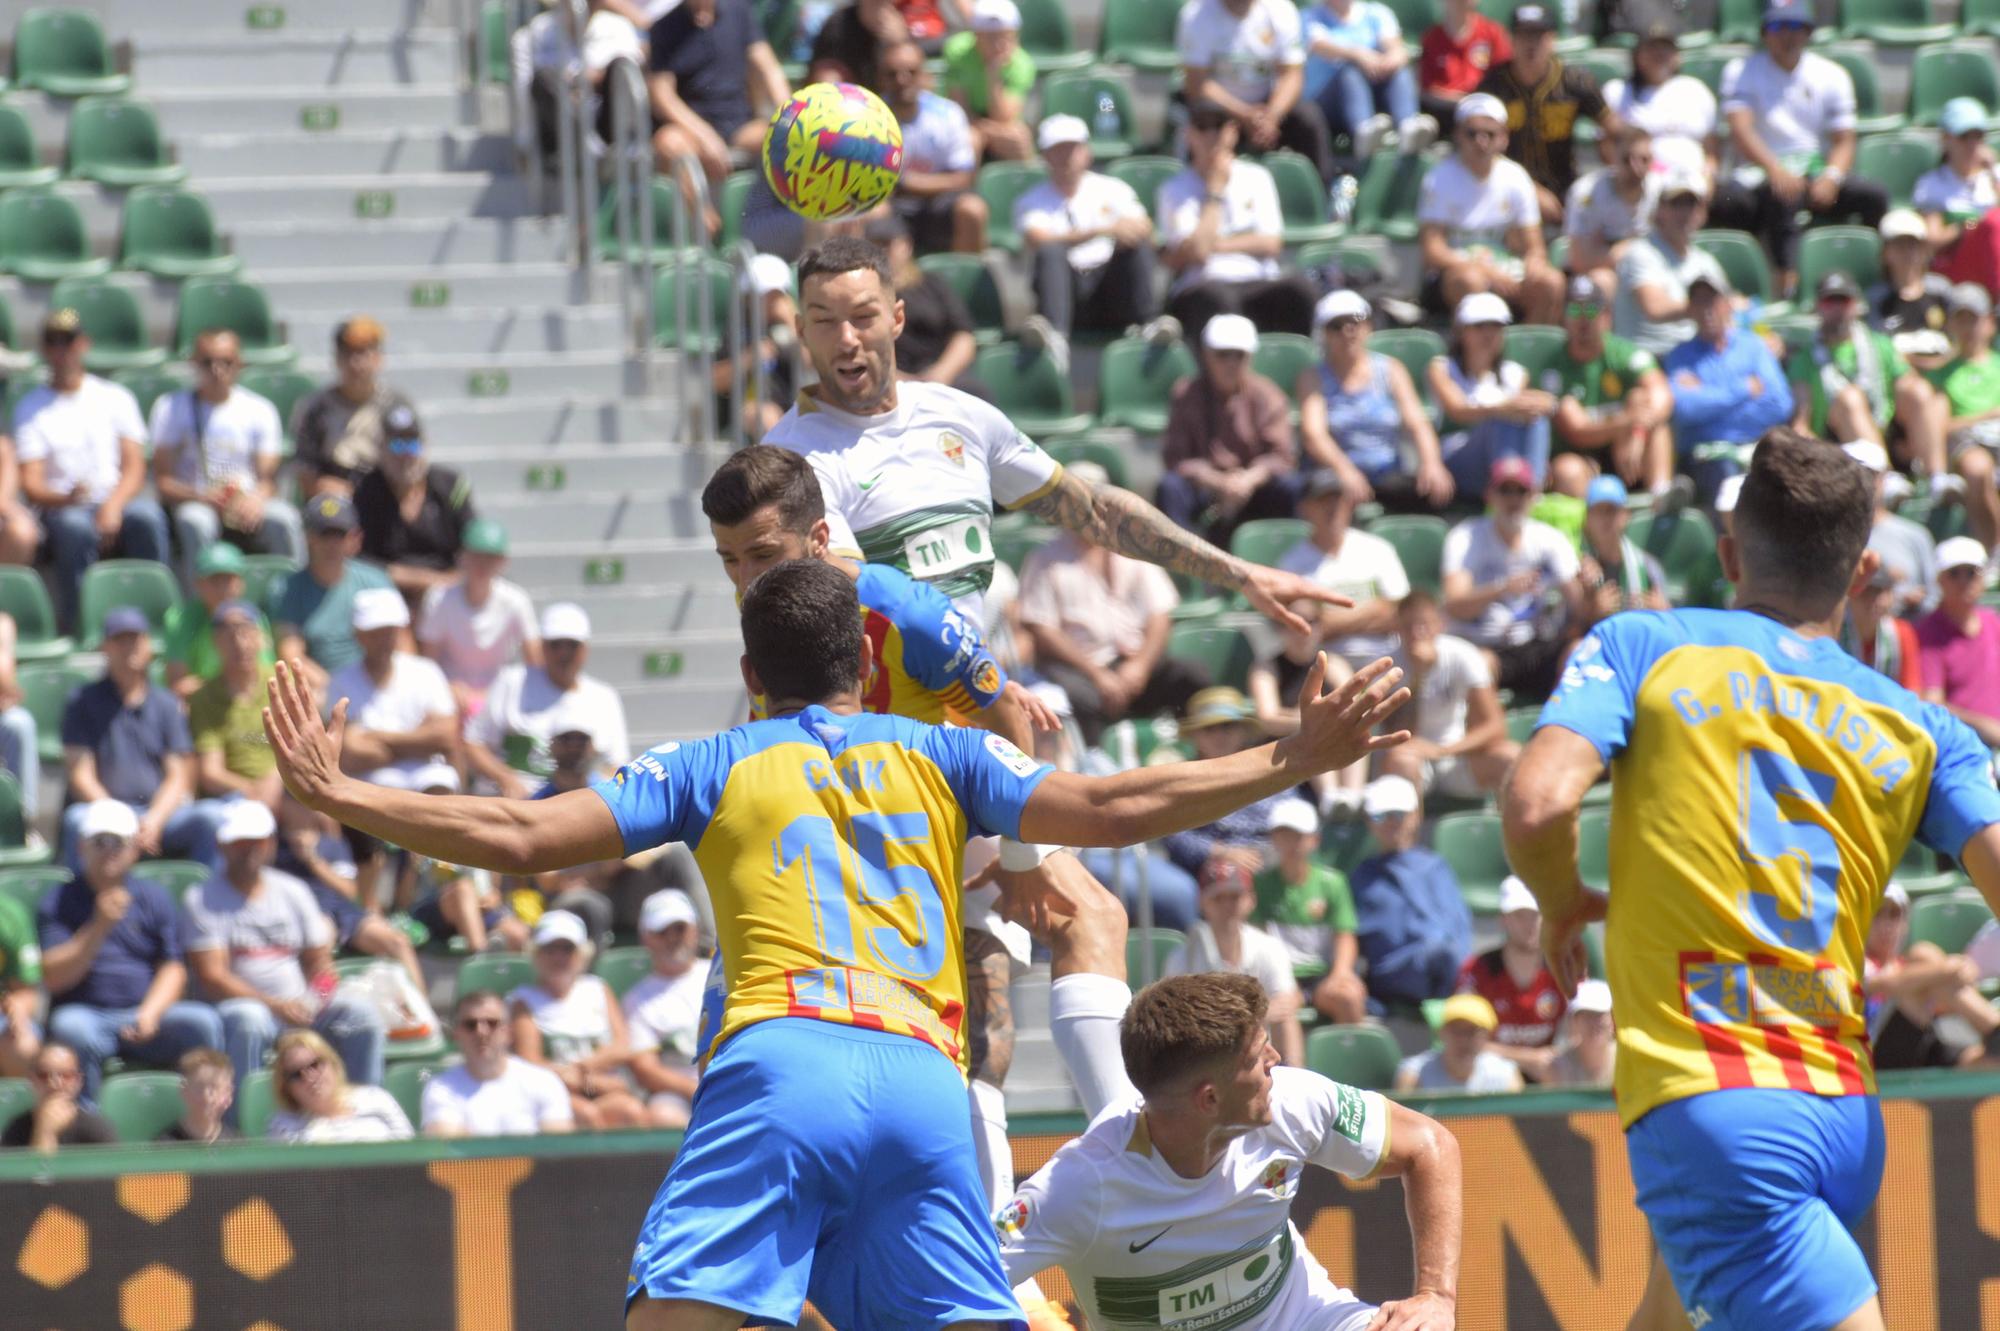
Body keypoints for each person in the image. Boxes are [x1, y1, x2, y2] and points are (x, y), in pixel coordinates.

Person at [258, 556, 1413, 1331]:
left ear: (751, 678)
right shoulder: (941, 755)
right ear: (865, 661)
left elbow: (516, 833)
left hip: (782, 1062)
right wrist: (1289, 758)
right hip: (921, 1081)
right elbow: (1114, 805)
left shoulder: (712, 761)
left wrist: (340, 790)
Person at [1503, 427, 2000, 1331]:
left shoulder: (1643, 644)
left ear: (1730, 553)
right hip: (1844, 1108)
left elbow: (1536, 804)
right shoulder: (1927, 728)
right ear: (1861, 575)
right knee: (1666, 1311)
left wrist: (1560, 900)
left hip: (1717, 1104)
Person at [768, 236, 1343, 640]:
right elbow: (850, 591)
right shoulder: (790, 459)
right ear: (800, 333)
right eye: (824, 321)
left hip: (974, 717)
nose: (846, 340)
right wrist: (974, 679)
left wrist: (1237, 572)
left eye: (863, 317)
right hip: (877, 733)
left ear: (896, 318)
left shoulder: (961, 416)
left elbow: (1095, 514)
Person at [995, 972, 1463, 1331]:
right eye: (1259, 1057)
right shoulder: (1078, 1186)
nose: (1275, 1062)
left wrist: (1436, 1296)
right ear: (1210, 1098)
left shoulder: (1291, 1099)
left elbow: (1430, 1146)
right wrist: (1033, 1315)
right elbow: (951, 1282)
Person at [183, 799, 388, 1095]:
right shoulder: (202, 898)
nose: (249, 849)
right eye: (239, 843)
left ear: (269, 843)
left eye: (256, 841)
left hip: (299, 1006)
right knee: (247, 1019)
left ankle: (365, 1108)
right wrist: (276, 1006)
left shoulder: (294, 891)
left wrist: (315, 999)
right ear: (222, 846)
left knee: (361, 1015)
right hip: (248, 1009)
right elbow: (212, 977)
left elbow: (321, 962)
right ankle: (240, 1121)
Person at [37, 799, 224, 1102]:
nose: (109, 850)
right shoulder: (58, 900)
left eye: (119, 842)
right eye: (100, 842)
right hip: (89, 1015)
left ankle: (207, 1125)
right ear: (82, 846)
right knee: (70, 1028)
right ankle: (87, 1131)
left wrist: (150, 1012)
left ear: (135, 849)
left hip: (147, 1012)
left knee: (202, 1023)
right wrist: (98, 927)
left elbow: (173, 967)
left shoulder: (154, 897)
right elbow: (53, 977)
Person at [12, 308, 169, 631]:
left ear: (83, 344)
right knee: (74, 528)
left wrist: (113, 504)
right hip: (59, 509)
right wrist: (66, 498)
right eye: (52, 341)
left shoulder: (115, 397)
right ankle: (82, 624)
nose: (61, 350)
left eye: (67, 341)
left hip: (115, 500)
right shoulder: (30, 407)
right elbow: (31, 482)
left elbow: (135, 466)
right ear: (43, 348)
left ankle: (157, 619)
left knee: (148, 517)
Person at [1018, 484, 1207, 749]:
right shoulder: (1045, 558)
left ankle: (1191, 757)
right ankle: (1096, 772)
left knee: (1192, 676)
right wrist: (1097, 675)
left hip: (1134, 665)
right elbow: (1043, 630)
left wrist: (1140, 665)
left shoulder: (1131, 549)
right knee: (1077, 698)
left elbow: (1160, 614)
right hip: (1082, 668)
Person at [1711, 0, 1886, 285]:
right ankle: (1787, 283)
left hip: (1813, 171)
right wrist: (1775, 169)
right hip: (1760, 174)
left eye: (1795, 26)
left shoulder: (1831, 74)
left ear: (1807, 32)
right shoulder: (1742, 71)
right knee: (1781, 196)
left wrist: (1831, 176)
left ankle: (1874, 272)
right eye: (1778, 26)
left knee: (1874, 195)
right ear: (1765, 32)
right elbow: (1741, 129)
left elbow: (1844, 140)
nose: (1787, 35)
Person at [59, 608, 220, 870]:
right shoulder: (82, 702)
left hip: (159, 816)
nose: (128, 647)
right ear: (105, 648)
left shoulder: (167, 703)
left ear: (148, 646)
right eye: (120, 640)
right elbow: (81, 775)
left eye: (135, 639)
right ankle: (81, 906)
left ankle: (208, 904)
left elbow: (178, 775)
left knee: (210, 817)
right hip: (107, 812)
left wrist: (154, 820)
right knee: (77, 820)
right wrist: (119, 819)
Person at [149, 327, 303, 584]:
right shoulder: (170, 408)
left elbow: (268, 479)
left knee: (285, 519)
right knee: (195, 522)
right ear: (194, 363)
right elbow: (163, 481)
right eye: (208, 362)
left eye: (226, 362)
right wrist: (201, 496)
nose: (217, 370)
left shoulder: (260, 409)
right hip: (197, 499)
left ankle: (292, 598)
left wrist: (254, 500)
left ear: (240, 363)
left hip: (247, 500)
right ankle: (200, 605)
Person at [1158, 99, 1317, 341]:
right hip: (1204, 284)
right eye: (1202, 127)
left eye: (1218, 127)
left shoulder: (1257, 177)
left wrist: (1215, 243)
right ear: (1189, 134)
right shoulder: (1174, 189)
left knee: (1299, 290)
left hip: (1257, 280)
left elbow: (1270, 243)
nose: (1211, 135)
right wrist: (1214, 193)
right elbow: (1199, 253)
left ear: (1232, 132)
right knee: (1219, 300)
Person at [1013, 115, 1159, 363]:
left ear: (1086, 152)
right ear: (1045, 155)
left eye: (1072, 148)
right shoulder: (1031, 200)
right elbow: (1038, 238)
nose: (1066, 156)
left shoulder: (1114, 189)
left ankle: (1148, 324)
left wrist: (1127, 234)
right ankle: (1056, 336)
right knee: (1051, 252)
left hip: (1109, 287)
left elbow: (1143, 226)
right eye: (1057, 150)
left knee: (1138, 247)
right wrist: (1104, 230)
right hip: (1066, 291)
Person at [1297, 288, 1454, 512]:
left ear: (1368, 327)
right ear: (1324, 333)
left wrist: (1431, 463)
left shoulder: (1391, 370)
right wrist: (1345, 471)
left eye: (1355, 322)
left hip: (1387, 473)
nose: (1347, 331)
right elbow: (1314, 435)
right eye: (1336, 325)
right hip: (1335, 476)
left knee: (1432, 493)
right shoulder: (1312, 377)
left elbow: (1417, 422)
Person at [1440, 456, 1584, 698]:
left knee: (1578, 652)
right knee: (1478, 665)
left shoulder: (1549, 539)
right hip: (1486, 645)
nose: (1513, 499)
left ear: (1534, 496)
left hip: (1535, 643)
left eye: (1522, 491)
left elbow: (1577, 603)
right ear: (1490, 495)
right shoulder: (1465, 537)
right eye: (1505, 490)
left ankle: (1563, 727)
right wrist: (1501, 589)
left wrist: (1586, 588)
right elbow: (1455, 605)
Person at [1786, 272, 1947, 483]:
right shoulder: (1805, 358)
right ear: (1818, 307)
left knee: (1920, 390)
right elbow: (1802, 421)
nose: (1837, 309)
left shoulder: (1879, 344)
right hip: (1836, 442)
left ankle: (1938, 477)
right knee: (1850, 398)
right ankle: (1885, 480)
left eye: (1843, 301)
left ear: (1856, 305)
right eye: (1829, 301)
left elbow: (1908, 388)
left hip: (1887, 428)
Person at [1418, 93, 1562, 324]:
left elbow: (1534, 247)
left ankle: (1526, 350)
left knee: (1551, 283)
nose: (1481, 141)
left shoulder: (1515, 177)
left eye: (1490, 134)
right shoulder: (1439, 178)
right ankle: (1470, 352)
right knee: (1471, 281)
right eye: (1472, 133)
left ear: (1504, 138)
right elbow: (1433, 250)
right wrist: (1485, 271)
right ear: (1458, 136)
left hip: (1506, 267)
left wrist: (1534, 265)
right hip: (1456, 271)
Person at [1158, 315, 1304, 544]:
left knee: (1292, 488)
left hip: (1254, 487)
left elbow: (1281, 456)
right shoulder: (1186, 394)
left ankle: (1290, 560)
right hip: (1205, 486)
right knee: (1170, 488)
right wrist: (1217, 481)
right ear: (1206, 355)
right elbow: (1176, 458)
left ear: (1250, 356)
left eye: (1239, 355)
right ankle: (1179, 566)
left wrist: (1248, 480)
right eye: (1223, 354)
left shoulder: (1268, 395)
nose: (1231, 363)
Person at [646, 0, 788, 229]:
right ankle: (707, 229)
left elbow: (768, 68)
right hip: (692, 128)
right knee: (668, 143)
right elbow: (662, 95)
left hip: (740, 125)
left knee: (784, 136)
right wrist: (704, 135)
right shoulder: (664, 27)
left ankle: (785, 214)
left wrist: (790, 115)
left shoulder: (739, 12)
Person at [467, 601, 631, 796]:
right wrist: (506, 779)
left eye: (572, 645)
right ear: (542, 647)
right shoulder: (512, 682)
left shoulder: (603, 698)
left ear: (585, 649)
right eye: (556, 645)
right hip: (513, 802)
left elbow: (616, 766)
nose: (564, 653)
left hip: (575, 803)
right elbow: (474, 743)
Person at [1474, 4, 1618, 224]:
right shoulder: (1494, 85)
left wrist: (1610, 158)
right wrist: (1529, 189)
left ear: (1552, 39)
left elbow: (1615, 129)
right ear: (1511, 39)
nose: (1531, 45)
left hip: (1565, 189)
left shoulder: (1574, 81)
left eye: (1538, 36)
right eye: (1524, 36)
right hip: (1506, 190)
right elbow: (1474, 145)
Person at [509, 909, 648, 1131]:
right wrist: (573, 1078)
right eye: (550, 949)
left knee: (630, 1111)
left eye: (567, 949)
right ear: (536, 953)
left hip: (601, 1086)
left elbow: (622, 1046)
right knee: (586, 1115)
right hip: (554, 1092)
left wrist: (585, 1071)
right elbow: (530, 1060)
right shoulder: (523, 1000)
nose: (559, 957)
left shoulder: (597, 989)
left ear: (582, 953)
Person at [1662, 271, 1795, 502]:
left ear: (1728, 304)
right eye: (1698, 301)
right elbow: (1684, 408)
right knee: (1726, 478)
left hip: (1757, 448)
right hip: (1707, 458)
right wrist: (1744, 390)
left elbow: (1779, 404)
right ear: (1690, 309)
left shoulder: (1753, 346)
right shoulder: (1679, 356)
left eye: (1712, 300)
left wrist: (1707, 397)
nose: (1706, 309)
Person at [1163, 858, 1305, 1067]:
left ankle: (1294, 1078)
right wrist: (1256, 1016)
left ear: (1251, 900)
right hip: (1205, 1056)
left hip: (1260, 1051)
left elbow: (1286, 1002)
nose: (1228, 905)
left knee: (1287, 1017)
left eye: (1235, 897)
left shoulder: (1268, 947)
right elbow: (1180, 1021)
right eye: (1218, 898)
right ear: (1203, 903)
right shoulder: (1183, 957)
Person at [1178, 0, 1334, 184]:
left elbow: (1292, 76)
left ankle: (1321, 197)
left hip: (1266, 107)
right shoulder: (1197, 14)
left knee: (1309, 119)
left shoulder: (1280, 10)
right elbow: (1197, 84)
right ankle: (1199, 192)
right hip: (1222, 108)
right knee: (1205, 125)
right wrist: (1244, 114)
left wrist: (1272, 116)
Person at [1383, 588, 1518, 799]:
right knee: (1402, 760)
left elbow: (1495, 727)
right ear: (1397, 628)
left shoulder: (1464, 656)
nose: (1417, 634)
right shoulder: (1388, 666)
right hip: (1413, 758)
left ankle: (1508, 830)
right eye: (1408, 626)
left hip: (1455, 755)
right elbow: (1396, 734)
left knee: (1510, 756)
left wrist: (1443, 751)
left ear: (1439, 625)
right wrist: (1419, 677)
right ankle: (1409, 831)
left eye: (1424, 625)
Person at [1545, 275, 1674, 497]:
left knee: (1646, 407)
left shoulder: (1624, 354)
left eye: (1592, 310)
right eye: (1575, 311)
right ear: (1563, 317)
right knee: (1566, 470)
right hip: (1584, 459)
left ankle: (1661, 499)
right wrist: (1626, 422)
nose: (1584, 319)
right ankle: (1586, 528)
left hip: (1631, 455)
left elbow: (1661, 395)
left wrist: (1638, 431)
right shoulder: (1554, 369)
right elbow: (1577, 431)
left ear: (1606, 316)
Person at [1278, 468, 1409, 676]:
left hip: (1387, 658)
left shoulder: (1378, 549)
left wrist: (1328, 621)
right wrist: (1374, 611)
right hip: (1326, 667)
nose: (1332, 507)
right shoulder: (1291, 564)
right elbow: (1302, 628)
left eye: (1338, 499)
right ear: (1304, 508)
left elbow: (1398, 613)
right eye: (1323, 500)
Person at [327, 587, 458, 792]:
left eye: (389, 632)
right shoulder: (340, 681)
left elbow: (446, 736)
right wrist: (420, 742)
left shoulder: (426, 671)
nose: (383, 640)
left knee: (440, 783)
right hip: (370, 787)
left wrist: (374, 737)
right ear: (359, 635)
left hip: (427, 779)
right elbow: (352, 753)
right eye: (375, 633)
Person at [1428, 290, 1556, 495]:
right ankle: (1509, 491)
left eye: (1496, 327)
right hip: (1458, 457)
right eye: (1479, 327)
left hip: (1505, 456)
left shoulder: (1515, 373)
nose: (1488, 335)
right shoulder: (1442, 368)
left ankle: (1531, 490)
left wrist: (1544, 404)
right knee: (1501, 419)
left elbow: (1532, 406)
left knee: (1534, 417)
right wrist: (1501, 409)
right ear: (1462, 331)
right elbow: (1457, 410)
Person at [1862, 882, 2000, 1069]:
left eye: (1894, 915)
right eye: (1877, 914)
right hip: (1875, 1053)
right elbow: (1881, 984)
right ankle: (1995, 1030)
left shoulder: (1909, 967)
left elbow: (1947, 1001)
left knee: (1992, 1063)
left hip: (1922, 1040)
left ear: (1905, 924)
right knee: (1923, 955)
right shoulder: (1859, 962)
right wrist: (1949, 968)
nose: (1886, 925)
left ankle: (1995, 1035)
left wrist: (1949, 972)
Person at [1256, 797, 1366, 1023]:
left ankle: (1349, 1056)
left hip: (1323, 976)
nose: (1291, 844)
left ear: (1314, 840)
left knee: (1350, 996)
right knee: (1277, 1004)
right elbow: (1259, 936)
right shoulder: (1261, 885)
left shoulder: (1333, 882)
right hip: (1281, 977)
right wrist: (1282, 981)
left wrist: (1340, 973)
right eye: (1284, 835)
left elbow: (1344, 935)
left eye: (1298, 836)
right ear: (1273, 839)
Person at [417, 517, 541, 716]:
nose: (482, 564)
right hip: (449, 695)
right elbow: (428, 661)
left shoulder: (517, 601)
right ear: (462, 557)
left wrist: (497, 692)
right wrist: (449, 688)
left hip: (500, 696)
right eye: (476, 556)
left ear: (503, 561)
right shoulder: (439, 598)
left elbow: (535, 661)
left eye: (490, 557)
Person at [875, 38, 987, 255]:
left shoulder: (948, 114)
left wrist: (907, 182)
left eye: (911, 72)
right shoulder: (869, 118)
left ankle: (968, 282)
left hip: (939, 204)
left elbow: (963, 178)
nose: (902, 80)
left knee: (972, 209)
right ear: (880, 78)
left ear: (925, 75)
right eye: (892, 74)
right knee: (872, 214)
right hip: (892, 205)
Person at [272, 493, 396, 685]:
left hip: (378, 681)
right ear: (308, 537)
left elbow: (401, 642)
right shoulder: (288, 589)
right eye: (324, 535)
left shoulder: (376, 583)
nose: (331, 545)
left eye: (339, 535)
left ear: (355, 539)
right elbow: (291, 653)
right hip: (322, 686)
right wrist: (338, 688)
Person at [353, 405, 475, 600]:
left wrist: (447, 582)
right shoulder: (365, 491)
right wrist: (425, 581)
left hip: (448, 593)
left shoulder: (450, 486)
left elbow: (473, 543)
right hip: (385, 593)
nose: (406, 455)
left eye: (412, 444)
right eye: (397, 445)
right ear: (380, 448)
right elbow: (359, 559)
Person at [421, 989, 575, 1138]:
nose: (481, 1031)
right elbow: (449, 1151)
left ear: (508, 1032)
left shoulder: (544, 1082)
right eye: (470, 1024)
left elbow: (556, 1149)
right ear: (456, 1034)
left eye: (492, 1023)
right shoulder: (441, 1088)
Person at [290, 316, 417, 496]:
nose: (357, 363)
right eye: (348, 354)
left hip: (384, 493)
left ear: (379, 358)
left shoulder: (396, 407)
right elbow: (306, 471)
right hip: (335, 495)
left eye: (365, 353)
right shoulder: (316, 408)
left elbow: (411, 462)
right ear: (337, 359)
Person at [1456, 876, 1566, 1081]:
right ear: (1503, 920)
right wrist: (1528, 1058)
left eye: (1535, 914)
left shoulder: (1564, 968)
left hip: (1550, 1068)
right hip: (1493, 1072)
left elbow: (1582, 1032)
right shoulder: (1477, 971)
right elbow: (1463, 1038)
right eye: (1519, 916)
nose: (1529, 924)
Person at [1613, 167, 1726, 361]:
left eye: (1691, 204)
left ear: (1702, 212)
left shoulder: (1706, 262)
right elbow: (1654, 308)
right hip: (1647, 360)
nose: (1685, 213)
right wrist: (1705, 307)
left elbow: (1728, 313)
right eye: (1677, 204)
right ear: (1660, 210)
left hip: (1695, 359)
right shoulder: (1640, 253)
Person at [1301, 0, 1432, 159]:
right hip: (1325, 102)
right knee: (1350, 73)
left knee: (1400, 73)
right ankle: (1363, 131)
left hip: (1374, 90)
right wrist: (1358, 55)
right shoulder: (1310, 17)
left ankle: (1409, 127)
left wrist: (1390, 60)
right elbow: (1320, 46)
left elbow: (1396, 48)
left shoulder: (1376, 13)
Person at [869, 213, 984, 393]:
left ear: (906, 245)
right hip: (887, 381)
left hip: (941, 374)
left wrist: (941, 373)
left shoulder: (931, 283)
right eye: (874, 245)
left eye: (887, 244)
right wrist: (898, 379)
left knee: (976, 392)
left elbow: (963, 335)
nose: (881, 252)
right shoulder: (863, 293)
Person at [622, 889, 707, 1129]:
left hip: (729, 1079)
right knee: (663, 1115)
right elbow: (645, 1069)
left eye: (679, 928)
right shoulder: (637, 999)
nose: (672, 937)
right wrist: (697, 1090)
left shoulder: (719, 975)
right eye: (661, 931)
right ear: (645, 938)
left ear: (695, 930)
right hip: (678, 1092)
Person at [1927, 282, 2000, 552]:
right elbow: (1942, 426)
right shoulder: (1942, 373)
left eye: (1975, 319)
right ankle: (1993, 550)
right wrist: (1986, 416)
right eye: (1961, 319)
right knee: (1978, 469)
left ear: (1990, 323)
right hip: (1967, 442)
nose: (1969, 328)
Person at [1600, 21, 1719, 181]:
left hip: (1690, 184)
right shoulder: (1617, 92)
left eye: (1666, 49)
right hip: (1636, 183)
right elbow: (1606, 144)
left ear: (1677, 57)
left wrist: (1708, 176)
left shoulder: (1696, 90)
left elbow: (1711, 149)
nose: (1659, 54)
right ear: (1637, 56)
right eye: (1652, 48)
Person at [164, 541, 276, 702]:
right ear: (198, 584)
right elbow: (178, 686)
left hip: (248, 697)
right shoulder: (179, 620)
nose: (222, 587)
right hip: (202, 702)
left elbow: (266, 673)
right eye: (215, 580)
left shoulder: (253, 618)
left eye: (228, 579)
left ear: (241, 583)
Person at [1916, 536, 2000, 747]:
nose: (1964, 582)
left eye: (1971, 573)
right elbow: (1932, 703)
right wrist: (1985, 726)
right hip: (1963, 748)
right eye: (1954, 574)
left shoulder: (1992, 622)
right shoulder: (1928, 633)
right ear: (1940, 579)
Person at [1563, 126, 1661, 299]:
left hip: (1649, 270)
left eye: (1644, 160)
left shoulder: (1661, 192)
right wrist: (1629, 250)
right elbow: (1579, 260)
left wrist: (1611, 251)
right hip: (1602, 276)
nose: (1636, 168)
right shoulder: (1586, 193)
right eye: (1627, 159)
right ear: (1613, 157)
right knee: (1603, 281)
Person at [266, 1029, 412, 1142]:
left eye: (315, 1065)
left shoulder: (376, 1099)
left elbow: (409, 1151)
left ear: (332, 1064)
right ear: (287, 1089)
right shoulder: (285, 1125)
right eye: (297, 1074)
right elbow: (287, 1175)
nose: (309, 1077)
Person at [1845, 439, 1937, 618]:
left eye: (1870, 475)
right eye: (1854, 475)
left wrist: (1903, 600)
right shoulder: (1828, 535)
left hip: (1905, 637)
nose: (1862, 483)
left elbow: (1934, 599)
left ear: (1884, 478)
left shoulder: (1915, 536)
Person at [941, 0, 1034, 162]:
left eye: (1006, 37)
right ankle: (967, 186)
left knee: (1019, 141)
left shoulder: (1023, 64)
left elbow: (1004, 118)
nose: (999, 44)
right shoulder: (956, 52)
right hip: (968, 123)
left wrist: (993, 73)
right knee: (971, 140)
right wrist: (986, 131)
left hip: (999, 125)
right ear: (976, 36)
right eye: (991, 37)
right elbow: (960, 112)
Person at [1576, 476, 1670, 631]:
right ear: (1587, 518)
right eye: (1598, 511)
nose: (1606, 519)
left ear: (1625, 516)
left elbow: (1670, 620)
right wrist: (1593, 611)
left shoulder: (1646, 565)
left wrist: (1662, 611)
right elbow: (1569, 630)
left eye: (1612, 511)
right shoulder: (1580, 569)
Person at [1914, 97, 2000, 254]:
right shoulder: (1931, 184)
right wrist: (1968, 226)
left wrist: (1993, 175)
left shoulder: (1995, 175)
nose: (1972, 144)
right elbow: (1933, 241)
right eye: (1964, 136)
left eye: (1978, 136)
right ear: (1946, 139)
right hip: (1956, 263)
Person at [1872, 209, 1953, 371]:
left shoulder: (1942, 290)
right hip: (1899, 377)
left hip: (1943, 373)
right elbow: (1877, 349)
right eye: (1899, 245)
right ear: (1885, 253)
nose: (1907, 252)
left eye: (1913, 245)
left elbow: (1958, 339)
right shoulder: (1876, 298)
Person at [1393, 991, 1524, 1091]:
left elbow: (1520, 1124)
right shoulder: (1414, 1075)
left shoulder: (1505, 1075)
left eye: (1473, 1032)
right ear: (1441, 1033)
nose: (1464, 1040)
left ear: (1487, 1036)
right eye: (1456, 1031)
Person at [0, 1041, 115, 1150]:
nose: (55, 1084)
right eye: (44, 1075)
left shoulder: (96, 1128)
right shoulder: (17, 1129)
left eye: (66, 1076)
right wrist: (44, 1132)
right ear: (31, 1080)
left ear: (78, 1081)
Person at [1417, 0, 1511, 127]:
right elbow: (1427, 90)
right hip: (1445, 110)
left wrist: (1476, 102)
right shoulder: (1432, 38)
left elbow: (1505, 75)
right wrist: (1463, 102)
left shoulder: (1492, 33)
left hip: (1485, 109)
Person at [1843, 564, 1922, 691]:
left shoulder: (1901, 632)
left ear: (1891, 596)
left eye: (1879, 592)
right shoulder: (1833, 629)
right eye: (1865, 591)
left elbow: (1911, 690)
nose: (1873, 601)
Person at [0, 887, 41, 1080]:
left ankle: (14, 1109)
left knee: (23, 1046)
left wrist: (19, 1009)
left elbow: (26, 990)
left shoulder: (9, 913)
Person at [1545, 978, 1615, 1087]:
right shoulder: (1559, 1067)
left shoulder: (1628, 1061)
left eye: (1600, 1015)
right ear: (1574, 1021)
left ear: (1612, 1019)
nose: (1594, 1023)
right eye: (1586, 1015)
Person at [158, 1045, 237, 1143]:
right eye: (200, 1088)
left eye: (216, 1090)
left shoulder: (238, 1145)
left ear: (228, 1095)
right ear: (184, 1091)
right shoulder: (164, 1147)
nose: (208, 1098)